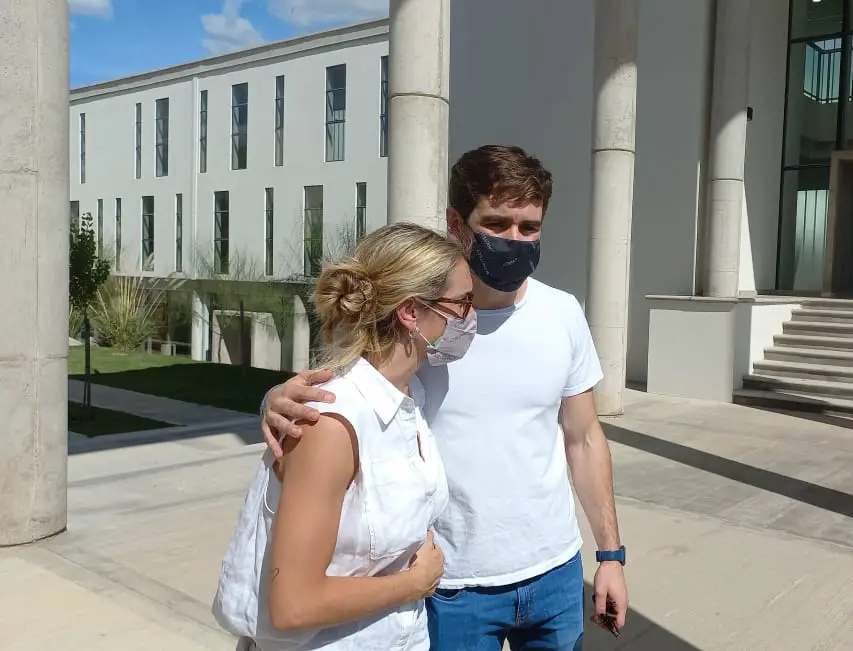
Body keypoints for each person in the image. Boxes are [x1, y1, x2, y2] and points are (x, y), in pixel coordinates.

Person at [260, 145, 629, 650]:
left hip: (556, 572)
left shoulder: (562, 313)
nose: (515, 239)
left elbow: (583, 438)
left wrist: (610, 556)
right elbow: (342, 388)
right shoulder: (423, 322)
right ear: (457, 222)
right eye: (496, 223)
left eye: (529, 227)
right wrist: (275, 399)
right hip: (450, 585)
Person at [213, 222, 477, 650]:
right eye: (463, 303)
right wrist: (414, 583)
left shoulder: (412, 395)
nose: (470, 317)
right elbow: (293, 605)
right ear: (410, 312)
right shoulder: (331, 426)